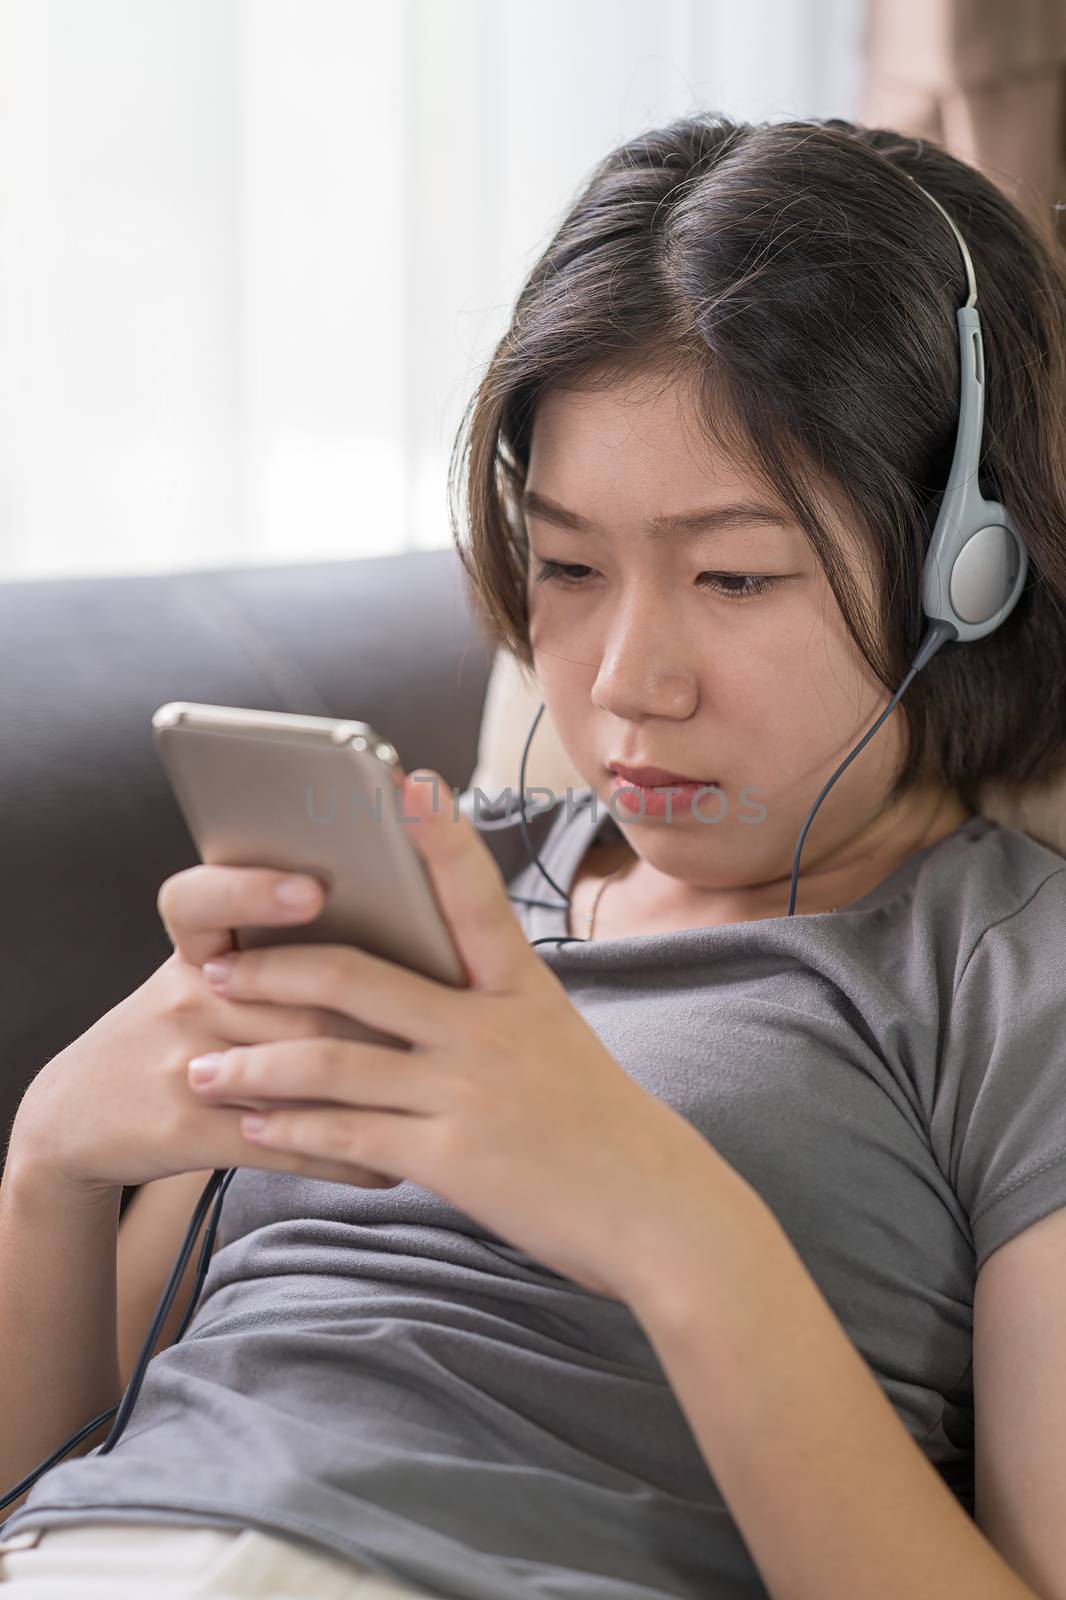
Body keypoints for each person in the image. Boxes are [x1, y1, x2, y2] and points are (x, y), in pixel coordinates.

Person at [2, 110, 1066, 1600]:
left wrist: (670, 1229)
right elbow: (74, 1462)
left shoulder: (1008, 979)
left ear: (969, 566)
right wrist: (51, 1158)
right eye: (564, 565)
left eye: (733, 575)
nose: (629, 677)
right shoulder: (411, 880)